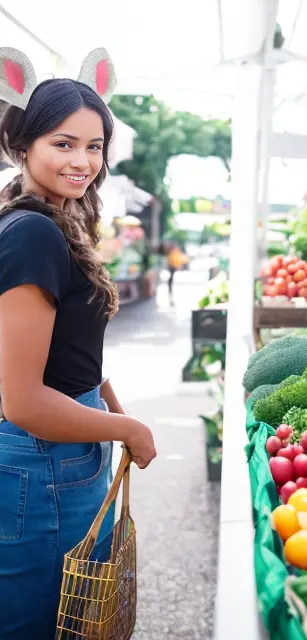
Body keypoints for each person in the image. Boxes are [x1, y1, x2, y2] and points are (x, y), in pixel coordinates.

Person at [0, 49, 157, 638]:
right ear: (24, 146)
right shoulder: (33, 232)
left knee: (72, 620)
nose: (83, 161)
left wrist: (112, 408)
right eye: (63, 144)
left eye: (94, 147)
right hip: (39, 462)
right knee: (40, 624)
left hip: (67, 446)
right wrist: (130, 431)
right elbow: (22, 399)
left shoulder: (55, 222)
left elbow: (71, 355)